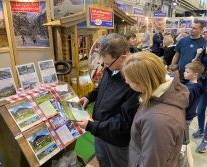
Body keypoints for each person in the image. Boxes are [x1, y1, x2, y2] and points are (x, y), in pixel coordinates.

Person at [75, 33, 140, 167]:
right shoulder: (111, 68)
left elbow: (124, 122)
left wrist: (91, 126)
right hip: (99, 131)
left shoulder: (135, 81)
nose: (105, 66)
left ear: (122, 58)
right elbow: (102, 88)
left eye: (108, 63)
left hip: (116, 140)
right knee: (102, 160)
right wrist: (89, 97)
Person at [122, 52, 189, 167]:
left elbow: (153, 162)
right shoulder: (169, 93)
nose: (126, 82)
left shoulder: (158, 121)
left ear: (143, 82)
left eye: (129, 80)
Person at [191, 46, 207, 153]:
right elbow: (194, 64)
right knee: (200, 109)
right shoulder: (204, 49)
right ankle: (201, 129)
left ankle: (205, 140)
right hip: (204, 84)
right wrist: (198, 54)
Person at [183, 61, 205, 139]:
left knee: (183, 135)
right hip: (190, 114)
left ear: (195, 75)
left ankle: (184, 148)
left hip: (185, 115)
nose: (184, 73)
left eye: (187, 72)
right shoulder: (197, 83)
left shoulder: (190, 88)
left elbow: (185, 103)